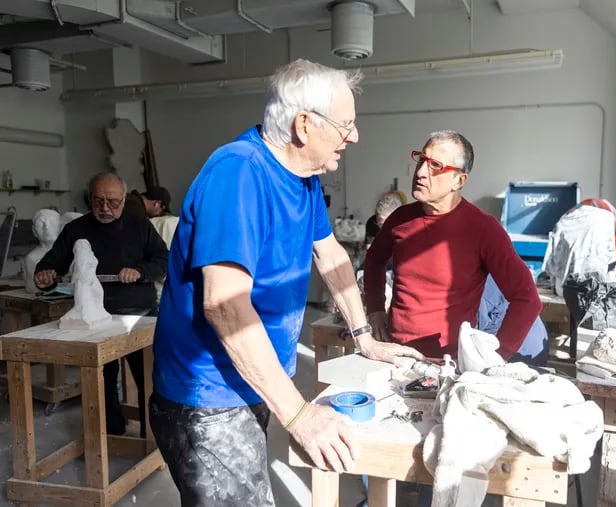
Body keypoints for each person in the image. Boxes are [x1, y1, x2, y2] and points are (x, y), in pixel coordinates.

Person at [150, 58, 423, 506]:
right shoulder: (237, 173)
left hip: (250, 379)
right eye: (346, 125)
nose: (353, 136)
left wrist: (364, 338)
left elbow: (330, 254)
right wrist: (298, 414)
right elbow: (225, 306)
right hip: (207, 396)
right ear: (304, 125)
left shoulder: (304, 178)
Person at [364, 130, 542, 362]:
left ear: (459, 180)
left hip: (449, 362)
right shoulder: (400, 219)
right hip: (395, 353)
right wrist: (375, 309)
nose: (420, 172)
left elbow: (527, 299)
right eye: (421, 160)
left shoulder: (483, 229)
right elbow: (374, 260)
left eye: (435, 165)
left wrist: (496, 357)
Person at [35, 171, 168, 436]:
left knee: (149, 377)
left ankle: (153, 436)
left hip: (137, 315)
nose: (105, 208)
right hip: (96, 319)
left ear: (123, 198)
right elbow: (52, 262)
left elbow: (164, 260)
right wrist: (45, 274)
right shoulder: (76, 229)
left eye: (112, 202)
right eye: (98, 202)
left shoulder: (140, 226)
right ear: (89, 199)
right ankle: (111, 433)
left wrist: (140, 271)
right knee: (100, 380)